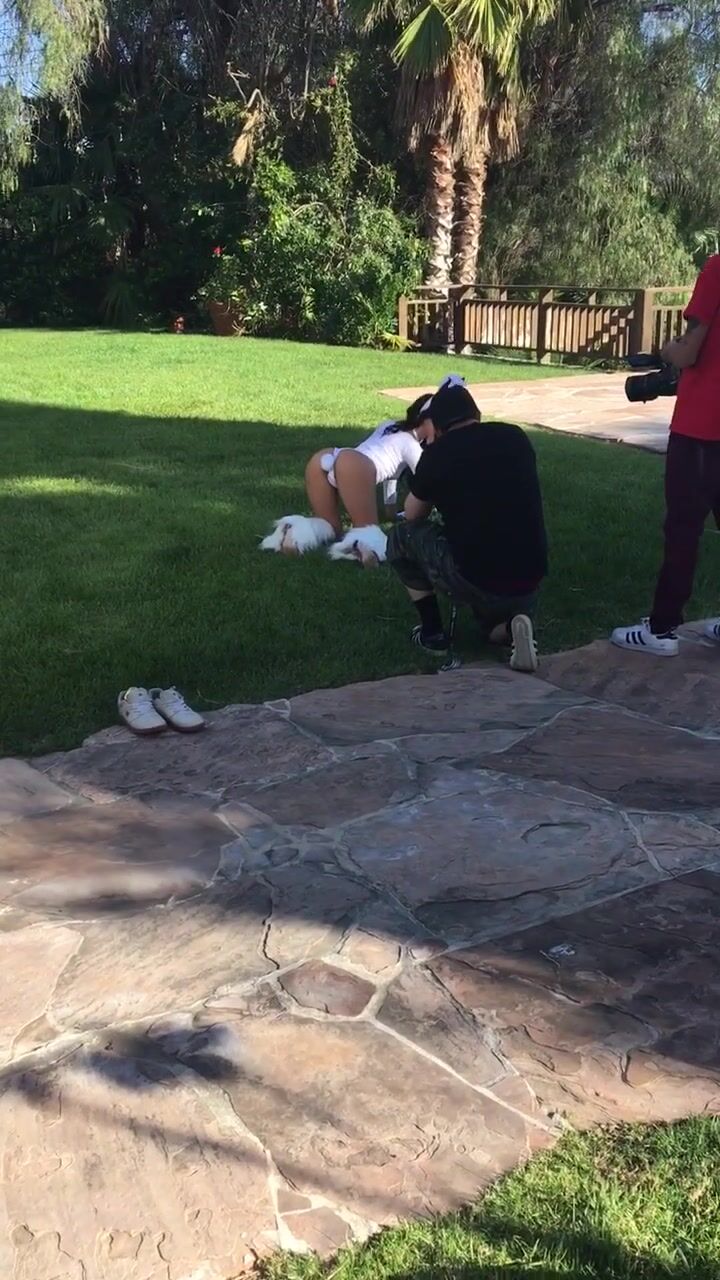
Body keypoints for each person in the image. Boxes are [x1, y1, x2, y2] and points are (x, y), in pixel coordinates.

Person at [387, 381, 548, 673]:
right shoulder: (515, 437)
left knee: (400, 537)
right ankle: (513, 627)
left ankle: (432, 633)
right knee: (489, 630)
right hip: (529, 573)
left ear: (437, 426)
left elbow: (412, 514)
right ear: (477, 414)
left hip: (476, 574)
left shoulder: (438, 454)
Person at [612, 254, 720, 655]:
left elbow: (689, 352)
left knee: (683, 529)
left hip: (701, 427)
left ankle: (661, 629)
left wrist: (667, 350)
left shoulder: (717, 270)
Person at [260, 375, 466, 567]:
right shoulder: (411, 446)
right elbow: (427, 483)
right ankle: (367, 553)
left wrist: (392, 514)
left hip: (329, 457)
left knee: (329, 526)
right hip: (354, 465)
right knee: (367, 529)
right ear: (427, 420)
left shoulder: (390, 427)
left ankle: (294, 534)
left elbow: (392, 480)